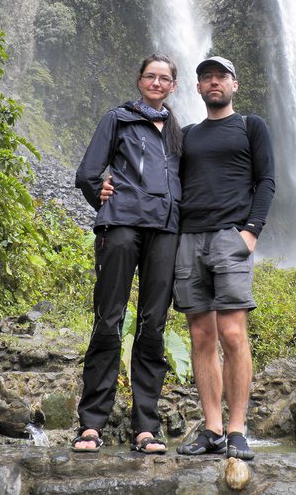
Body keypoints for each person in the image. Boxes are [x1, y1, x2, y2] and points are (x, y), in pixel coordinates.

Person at [72, 53, 182, 454]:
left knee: (153, 326)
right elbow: (87, 173)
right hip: (121, 228)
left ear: (173, 86)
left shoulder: (177, 131)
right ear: (139, 81)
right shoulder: (117, 118)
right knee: (109, 319)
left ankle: (146, 427)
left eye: (164, 78)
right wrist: (99, 196)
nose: (156, 82)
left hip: (166, 231)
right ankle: (91, 424)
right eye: (150, 76)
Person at [174, 56, 275, 460]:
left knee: (232, 333)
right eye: (206, 78)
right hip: (188, 238)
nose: (213, 83)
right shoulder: (186, 136)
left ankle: (237, 430)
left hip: (230, 237)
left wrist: (252, 230)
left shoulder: (252, 126)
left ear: (234, 84)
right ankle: (212, 428)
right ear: (198, 88)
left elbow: (266, 180)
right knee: (201, 335)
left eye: (221, 77)